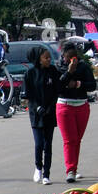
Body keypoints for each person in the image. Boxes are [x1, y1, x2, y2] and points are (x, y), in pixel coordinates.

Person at [55, 41, 96, 182]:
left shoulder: (83, 66)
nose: (72, 59)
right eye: (68, 56)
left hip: (82, 106)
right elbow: (58, 87)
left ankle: (74, 167)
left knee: (77, 139)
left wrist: (79, 84)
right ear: (63, 56)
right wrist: (69, 72)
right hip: (65, 106)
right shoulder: (59, 67)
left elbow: (92, 85)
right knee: (69, 140)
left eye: (74, 56)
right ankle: (70, 170)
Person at [24, 45, 60, 183]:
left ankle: (46, 175)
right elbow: (29, 95)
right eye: (46, 57)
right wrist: (37, 107)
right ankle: (38, 167)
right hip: (36, 114)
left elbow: (57, 91)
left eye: (49, 57)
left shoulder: (53, 71)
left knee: (48, 145)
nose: (49, 60)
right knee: (39, 143)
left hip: (50, 112)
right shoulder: (30, 74)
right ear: (39, 59)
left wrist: (50, 107)